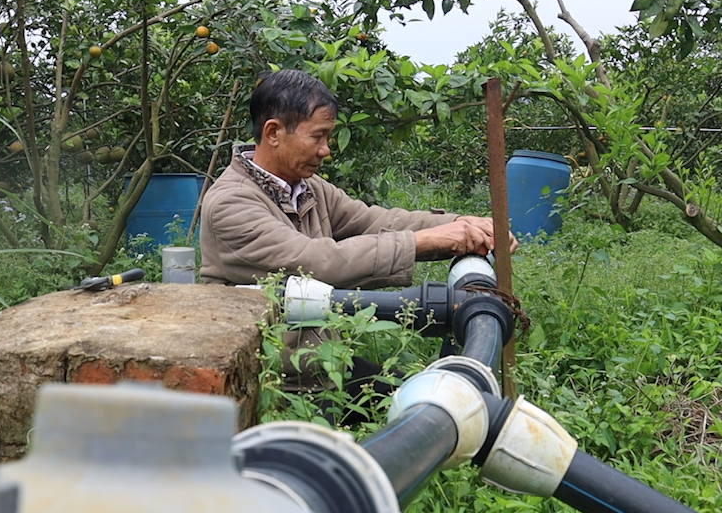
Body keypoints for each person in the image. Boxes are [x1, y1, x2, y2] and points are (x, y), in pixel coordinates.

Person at [199, 68, 516, 418]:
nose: (325, 151)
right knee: (410, 426)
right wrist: (425, 241)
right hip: (273, 383)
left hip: (323, 366)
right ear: (274, 132)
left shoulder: (309, 188)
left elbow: (374, 221)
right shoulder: (230, 203)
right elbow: (315, 262)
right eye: (318, 137)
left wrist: (457, 225)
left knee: (429, 408)